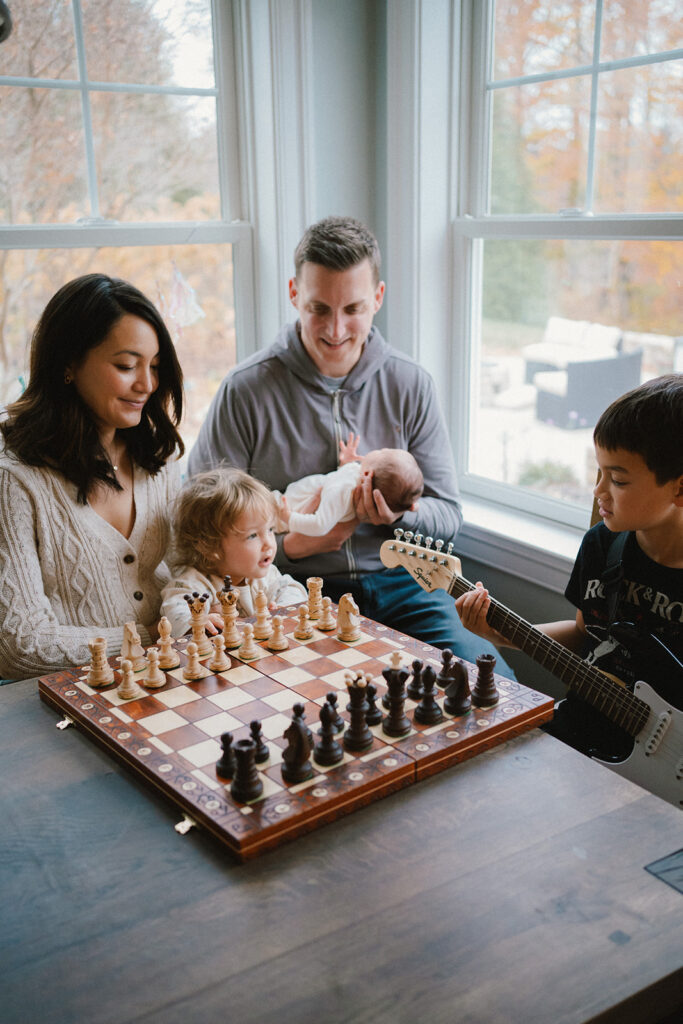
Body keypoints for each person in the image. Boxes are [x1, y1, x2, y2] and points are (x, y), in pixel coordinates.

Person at [189, 215, 509, 671]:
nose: (336, 330)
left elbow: (448, 515)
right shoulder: (245, 390)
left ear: (377, 298)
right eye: (319, 308)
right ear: (294, 294)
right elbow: (201, 518)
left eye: (352, 309)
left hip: (406, 588)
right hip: (291, 589)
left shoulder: (410, 384)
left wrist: (398, 516)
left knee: (492, 685)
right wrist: (292, 546)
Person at [455, 374, 683, 758]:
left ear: (679, 488)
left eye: (618, 480)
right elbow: (585, 633)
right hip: (583, 731)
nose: (598, 493)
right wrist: (502, 633)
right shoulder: (602, 545)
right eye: (599, 472)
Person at [0, 273, 184, 680]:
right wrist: (148, 637)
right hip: (67, 702)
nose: (147, 384)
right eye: (126, 365)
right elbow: (19, 646)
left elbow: (189, 568)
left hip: (168, 677)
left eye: (154, 367)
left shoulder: (156, 458)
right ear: (68, 363)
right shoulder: (15, 481)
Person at [160, 467, 307, 637]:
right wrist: (199, 621)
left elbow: (293, 589)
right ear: (210, 547)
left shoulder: (264, 577)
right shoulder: (192, 586)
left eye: (270, 530)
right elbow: (175, 612)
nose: (268, 543)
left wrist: (283, 607)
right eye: (253, 535)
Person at [276, 433, 423, 537]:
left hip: (285, 509)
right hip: (288, 504)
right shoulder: (352, 480)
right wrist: (345, 464)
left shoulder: (342, 490)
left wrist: (289, 518)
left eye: (381, 452)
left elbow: (320, 525)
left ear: (368, 475)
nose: (379, 449)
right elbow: (338, 482)